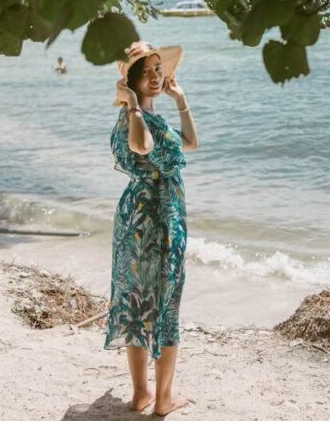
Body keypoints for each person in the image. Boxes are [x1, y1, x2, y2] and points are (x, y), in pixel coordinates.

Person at [108, 41, 197, 417]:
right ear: (131, 80)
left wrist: (181, 99)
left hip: (136, 216)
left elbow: (191, 143)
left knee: (139, 301)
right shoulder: (135, 119)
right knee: (162, 305)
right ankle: (160, 399)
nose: (156, 76)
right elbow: (141, 146)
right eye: (146, 71)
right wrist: (132, 104)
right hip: (159, 218)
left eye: (159, 69)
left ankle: (142, 393)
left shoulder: (150, 117)